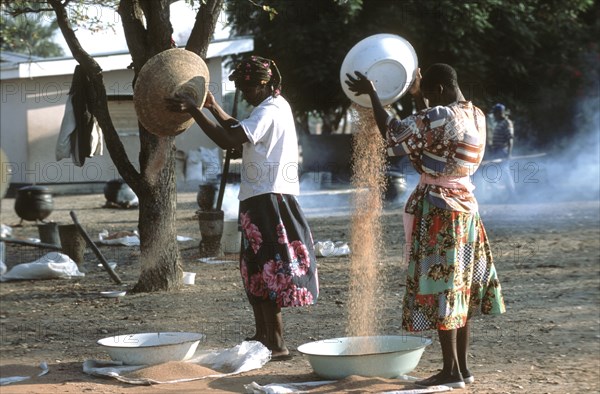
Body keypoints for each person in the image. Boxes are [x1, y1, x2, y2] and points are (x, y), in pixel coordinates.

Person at [345, 64, 505, 389]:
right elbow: (433, 133)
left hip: (440, 208)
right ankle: (463, 369)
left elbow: (393, 134)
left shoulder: (441, 115)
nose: (428, 101)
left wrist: (373, 94)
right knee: (461, 288)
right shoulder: (476, 114)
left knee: (443, 287)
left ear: (441, 91)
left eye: (430, 94)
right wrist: (419, 96)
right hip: (466, 207)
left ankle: (451, 372)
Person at [166, 56, 319, 360]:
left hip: (270, 199)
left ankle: (276, 342)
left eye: (247, 88)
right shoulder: (271, 107)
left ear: (264, 83)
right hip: (259, 197)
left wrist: (195, 111)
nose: (245, 95)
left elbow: (229, 138)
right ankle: (263, 335)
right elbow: (239, 128)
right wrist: (212, 108)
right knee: (255, 270)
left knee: (270, 267)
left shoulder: (271, 110)